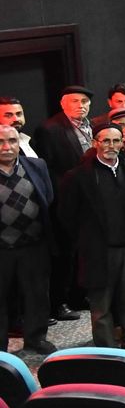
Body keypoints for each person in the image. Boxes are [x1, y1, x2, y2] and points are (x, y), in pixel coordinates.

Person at [35, 84, 94, 322]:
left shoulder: (91, 125)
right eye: (75, 101)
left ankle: (79, 296)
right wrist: (62, 197)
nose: (81, 106)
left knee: (83, 251)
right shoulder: (49, 129)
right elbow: (48, 168)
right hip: (64, 199)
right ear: (63, 104)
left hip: (89, 198)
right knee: (64, 253)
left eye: (85, 101)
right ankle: (59, 302)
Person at [0, 124, 56, 355]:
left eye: (12, 141)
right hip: (2, 249)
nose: (7, 147)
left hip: (34, 245)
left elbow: (48, 197)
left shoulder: (36, 165)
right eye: (1, 142)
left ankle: (36, 339)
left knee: (37, 296)